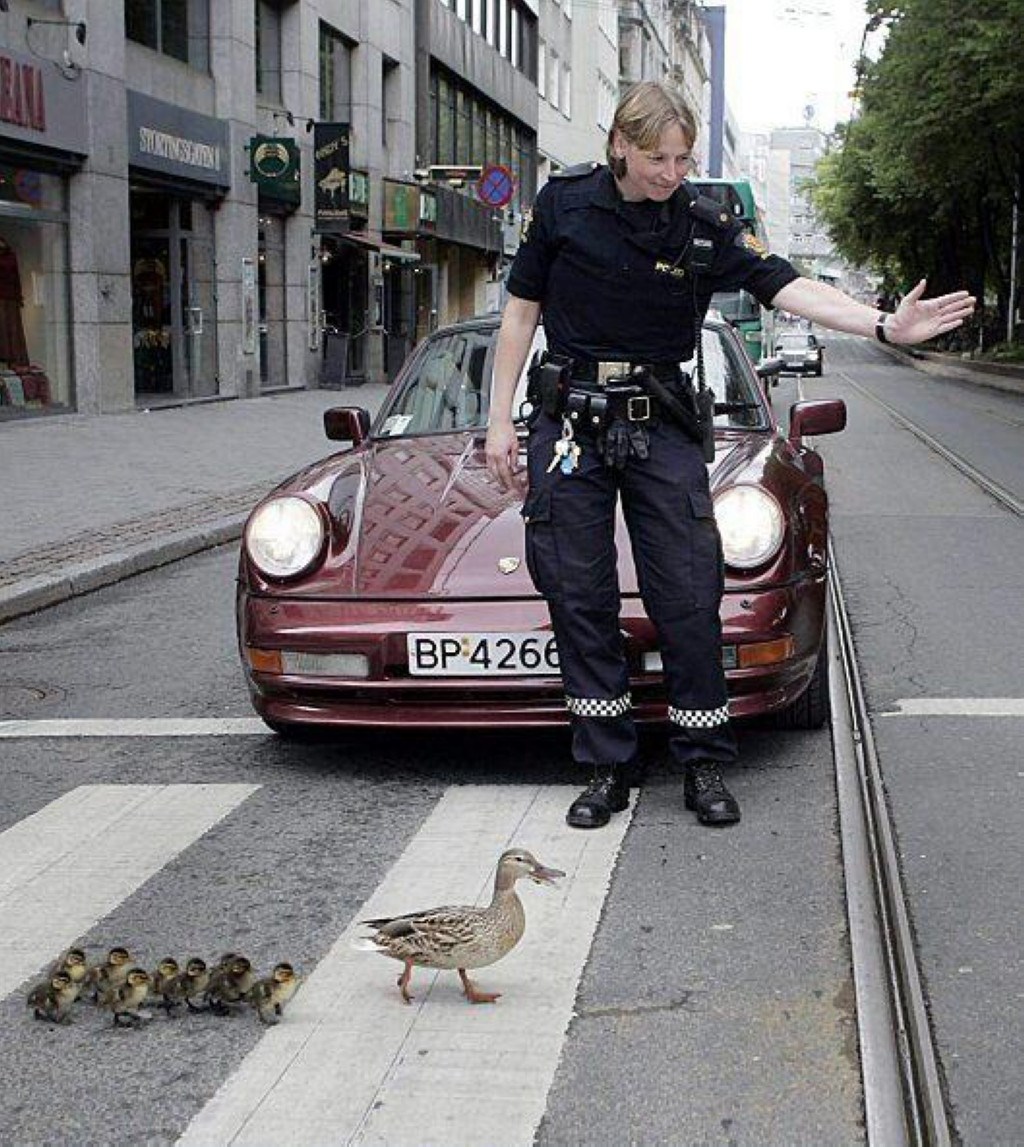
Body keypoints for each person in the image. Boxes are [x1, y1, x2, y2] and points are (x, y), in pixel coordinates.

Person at [484, 82, 975, 831]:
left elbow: (787, 286)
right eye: (657, 159)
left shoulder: (705, 224)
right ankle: (608, 763)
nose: (671, 173)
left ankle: (702, 758)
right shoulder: (564, 206)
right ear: (619, 145)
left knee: (687, 593)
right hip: (570, 424)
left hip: (661, 423)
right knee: (578, 594)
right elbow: (520, 312)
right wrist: (499, 421)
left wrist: (881, 326)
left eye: (682, 159)